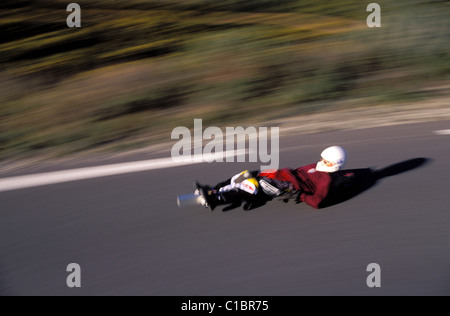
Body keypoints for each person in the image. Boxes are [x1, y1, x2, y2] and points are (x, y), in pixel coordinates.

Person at [198, 146, 347, 210]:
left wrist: (297, 194)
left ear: (334, 164)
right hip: (281, 174)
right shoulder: (317, 165)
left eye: (325, 161)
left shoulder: (326, 181)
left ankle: (216, 199)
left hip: (287, 185)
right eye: (322, 158)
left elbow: (317, 202)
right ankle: (214, 189)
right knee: (245, 175)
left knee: (251, 186)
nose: (321, 161)